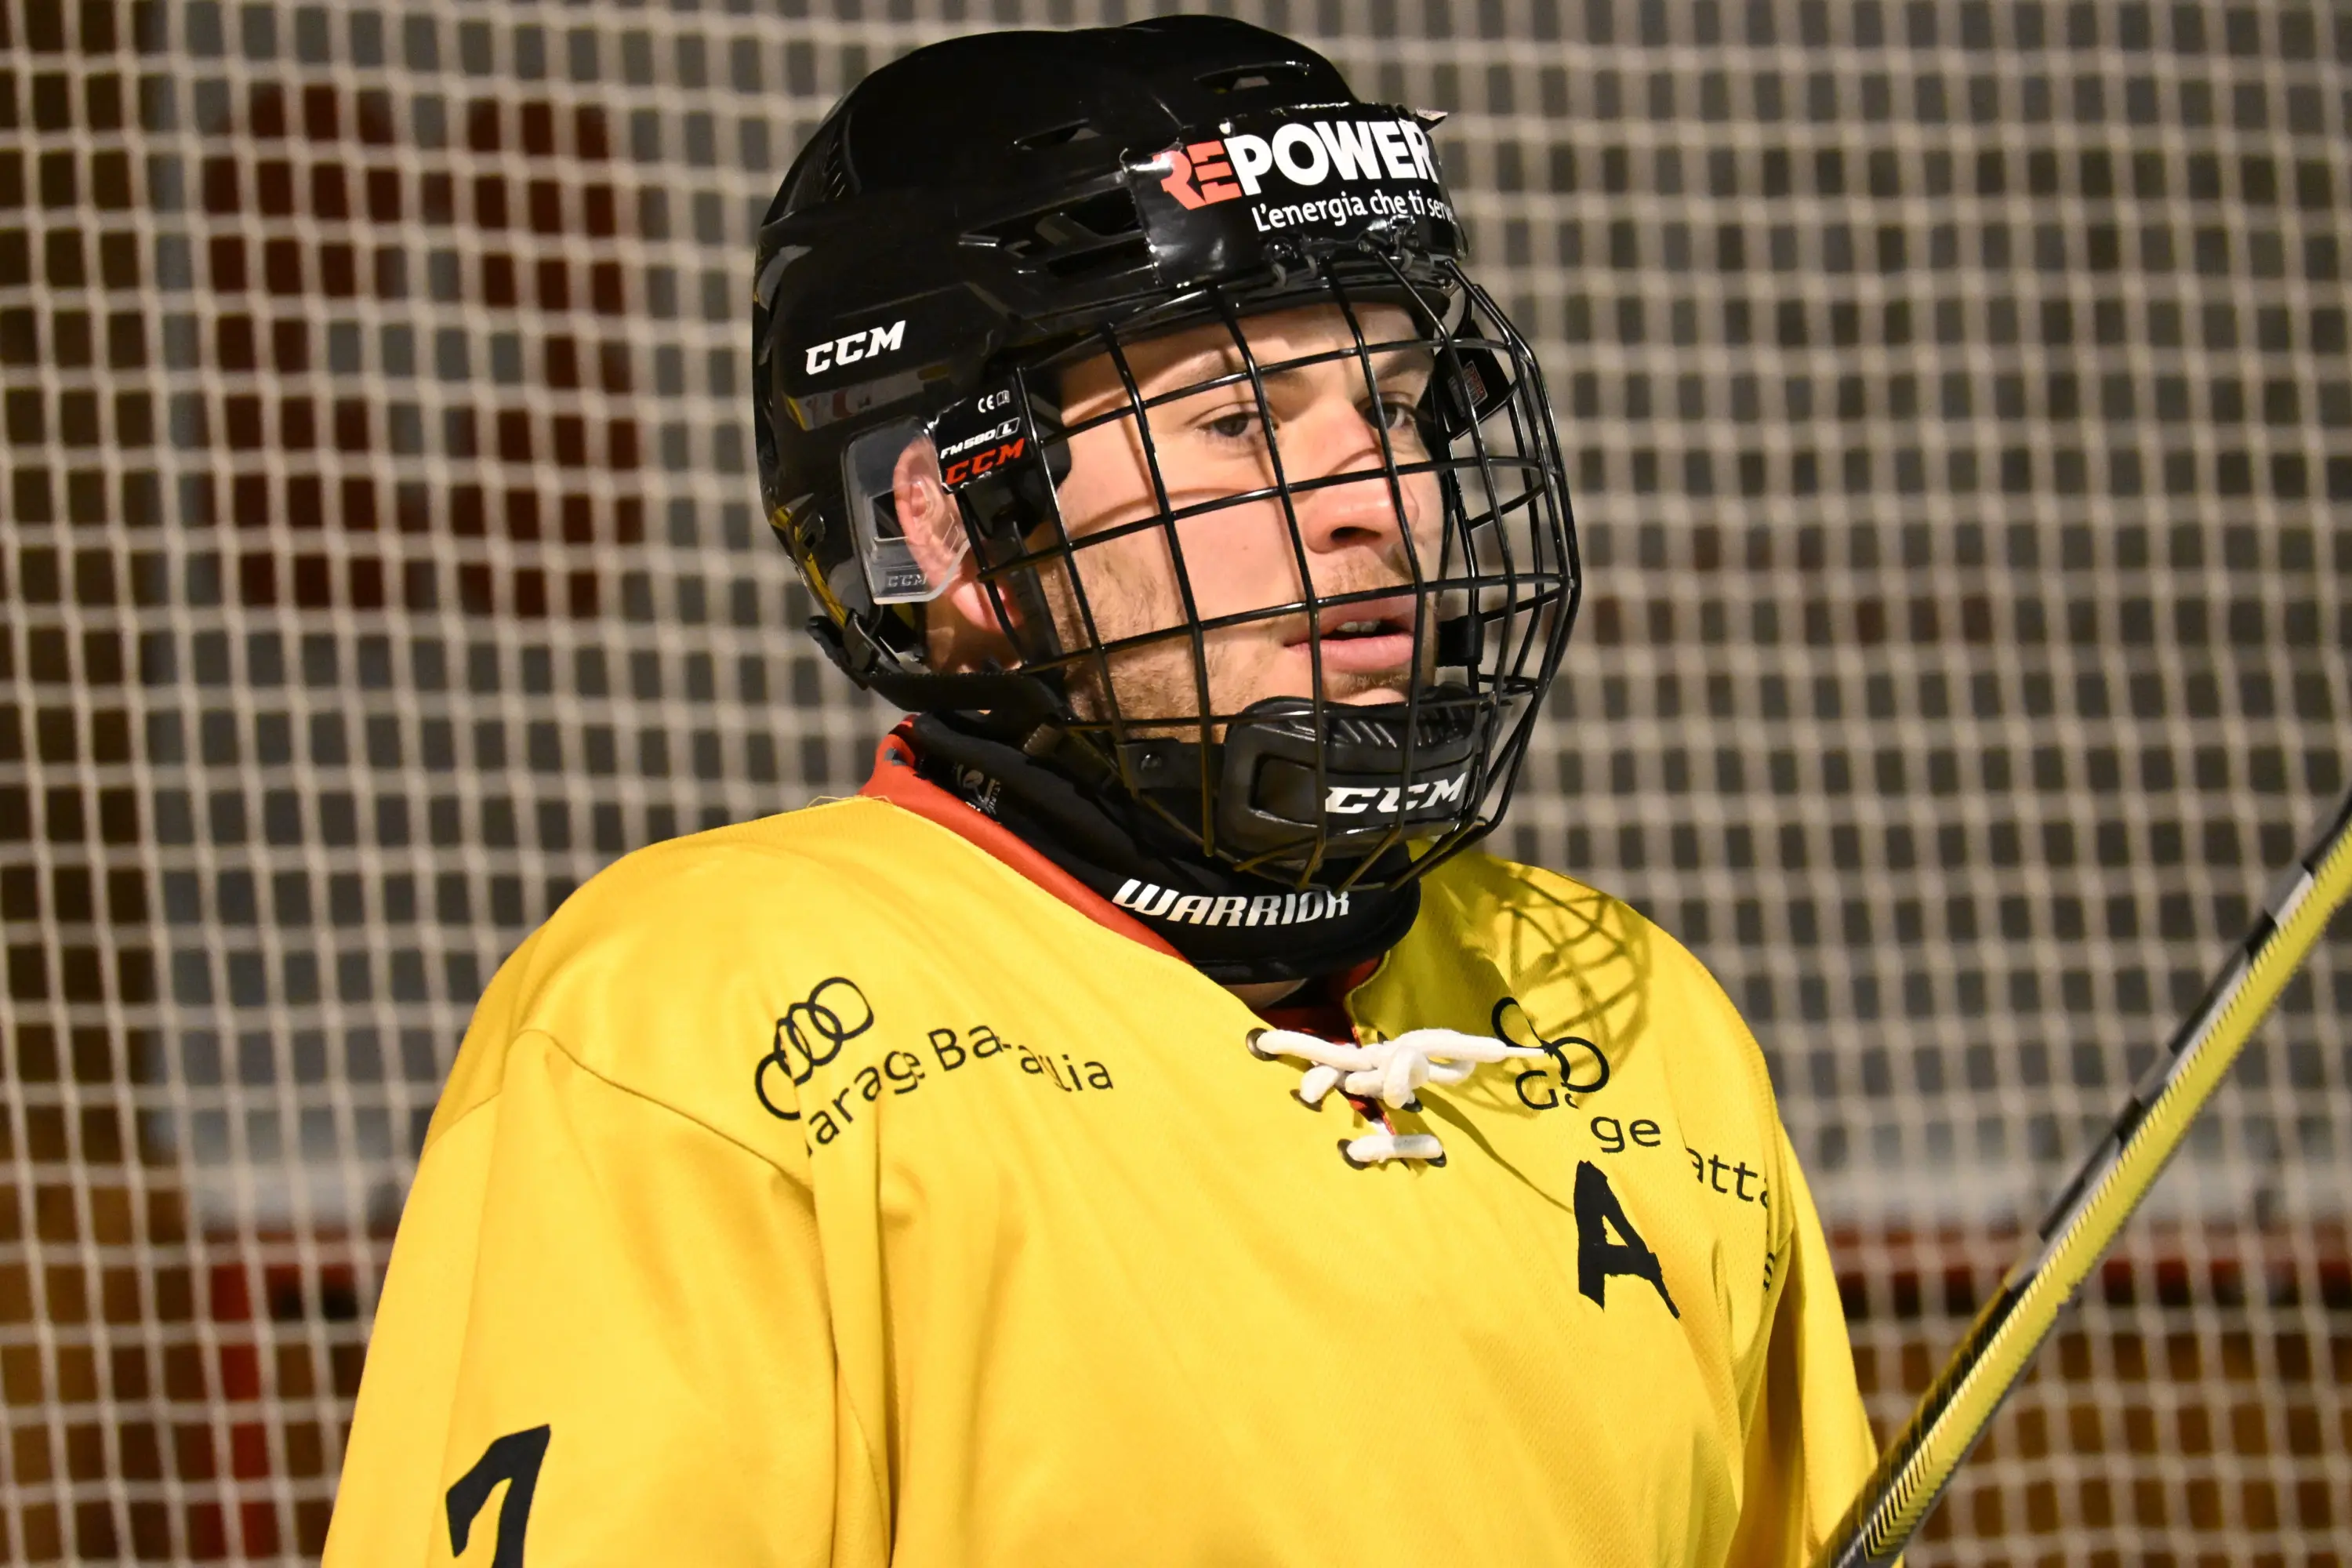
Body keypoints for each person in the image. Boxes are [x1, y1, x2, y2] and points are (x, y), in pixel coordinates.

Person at [326, 17, 1876, 1565]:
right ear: (950, 521)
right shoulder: (701, 1019)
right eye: (1241, 424)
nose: (1382, 502)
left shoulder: (1637, 1015)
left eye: (1393, 405)